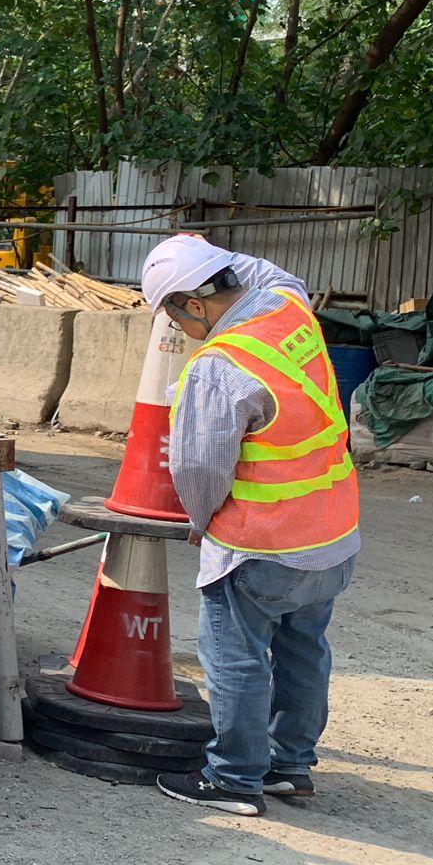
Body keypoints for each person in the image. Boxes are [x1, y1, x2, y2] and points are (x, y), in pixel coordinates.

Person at [139, 235, 360, 817]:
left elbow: (198, 466)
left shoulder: (217, 367)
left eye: (171, 313)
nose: (176, 328)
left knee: (235, 656)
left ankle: (234, 778)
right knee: (303, 649)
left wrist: (199, 522)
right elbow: (272, 270)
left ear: (193, 304)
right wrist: (210, 254)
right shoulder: (290, 307)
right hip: (332, 533)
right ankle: (290, 767)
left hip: (262, 543)